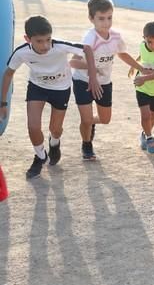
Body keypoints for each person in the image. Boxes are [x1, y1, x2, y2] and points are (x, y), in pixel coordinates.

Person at [0, 15, 101, 178]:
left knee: (55, 129)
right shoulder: (21, 53)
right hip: (37, 88)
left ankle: (54, 143)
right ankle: (40, 156)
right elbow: (8, 74)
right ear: (28, 39)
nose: (45, 45)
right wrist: (3, 103)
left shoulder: (59, 46)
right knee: (33, 126)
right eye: (39, 41)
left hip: (61, 89)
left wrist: (93, 77)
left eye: (48, 39)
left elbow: (87, 49)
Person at [70, 0, 143, 161]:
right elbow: (73, 63)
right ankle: (86, 145)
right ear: (91, 18)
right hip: (83, 81)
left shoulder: (115, 36)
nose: (106, 22)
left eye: (109, 18)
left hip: (104, 82)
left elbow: (122, 53)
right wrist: (93, 70)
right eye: (101, 18)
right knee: (86, 119)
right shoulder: (89, 39)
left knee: (105, 119)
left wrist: (140, 67)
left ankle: (90, 124)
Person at [130, 21, 154, 153]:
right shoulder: (142, 45)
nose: (153, 45)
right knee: (145, 115)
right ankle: (149, 137)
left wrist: (143, 78)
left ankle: (145, 133)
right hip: (142, 88)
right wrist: (134, 65)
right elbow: (142, 54)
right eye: (149, 42)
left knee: (153, 116)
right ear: (144, 39)